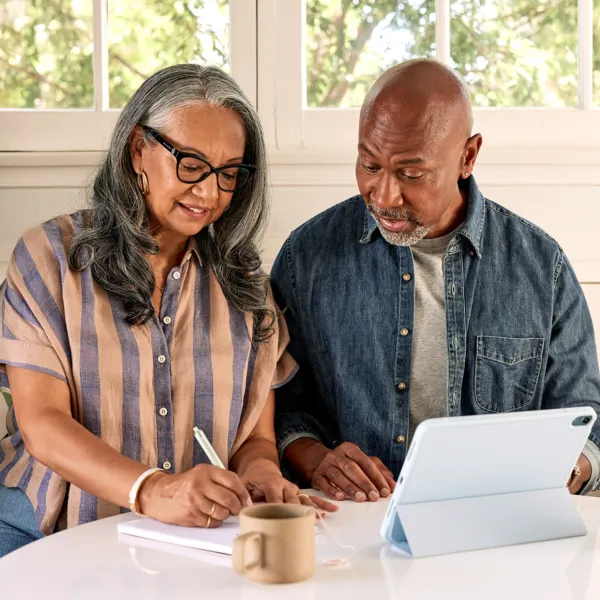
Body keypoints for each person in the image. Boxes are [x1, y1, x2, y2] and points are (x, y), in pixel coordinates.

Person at [0, 64, 334, 558]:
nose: (208, 192)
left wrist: (262, 476)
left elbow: (255, 440)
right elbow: (43, 424)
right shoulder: (49, 259)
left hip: (190, 541)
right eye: (191, 164)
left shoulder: (246, 290)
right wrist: (153, 490)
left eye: (227, 174)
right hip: (47, 530)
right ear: (138, 149)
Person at [271, 59, 600, 503]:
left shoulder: (543, 269)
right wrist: (314, 459)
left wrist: (567, 467)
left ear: (468, 156)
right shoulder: (305, 258)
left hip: (496, 528)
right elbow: (280, 409)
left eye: (411, 173)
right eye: (369, 165)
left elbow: (587, 420)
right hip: (350, 529)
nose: (383, 196)